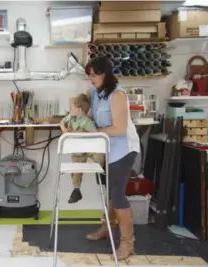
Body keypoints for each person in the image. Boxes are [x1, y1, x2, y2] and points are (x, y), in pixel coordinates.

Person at [83, 56, 140, 260]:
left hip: (123, 149)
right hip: (107, 147)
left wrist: (94, 132)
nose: (90, 78)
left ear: (105, 74)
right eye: (88, 75)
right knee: (107, 190)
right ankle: (107, 228)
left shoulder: (118, 95)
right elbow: (89, 115)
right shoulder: (94, 92)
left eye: (93, 75)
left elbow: (119, 129)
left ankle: (127, 243)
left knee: (117, 194)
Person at [60, 93, 105, 204]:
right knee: (76, 170)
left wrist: (83, 137)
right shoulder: (71, 117)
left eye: (71, 107)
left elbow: (96, 135)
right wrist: (65, 131)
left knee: (98, 155)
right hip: (78, 151)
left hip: (88, 148)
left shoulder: (87, 122)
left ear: (79, 110)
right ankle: (76, 190)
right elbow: (62, 122)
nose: (69, 108)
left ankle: (99, 166)